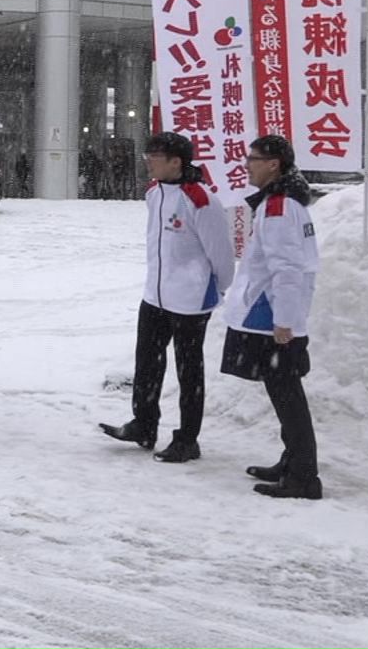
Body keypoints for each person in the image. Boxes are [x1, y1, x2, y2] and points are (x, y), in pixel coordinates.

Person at [100, 132, 235, 463]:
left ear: (176, 162)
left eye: (155, 157)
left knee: (189, 371)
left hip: (190, 299)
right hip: (155, 295)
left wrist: (216, 287)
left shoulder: (200, 199)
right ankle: (144, 424)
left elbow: (222, 253)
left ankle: (187, 438)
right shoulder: (154, 193)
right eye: (147, 156)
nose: (148, 162)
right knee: (147, 361)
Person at [220, 135, 324, 500]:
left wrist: (284, 321)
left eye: (253, 159)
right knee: (284, 392)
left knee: (287, 395)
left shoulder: (279, 207)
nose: (247, 165)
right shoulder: (282, 202)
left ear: (273, 165)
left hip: (271, 315)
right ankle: (293, 461)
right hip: (274, 310)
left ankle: (303, 476)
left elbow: (287, 268)